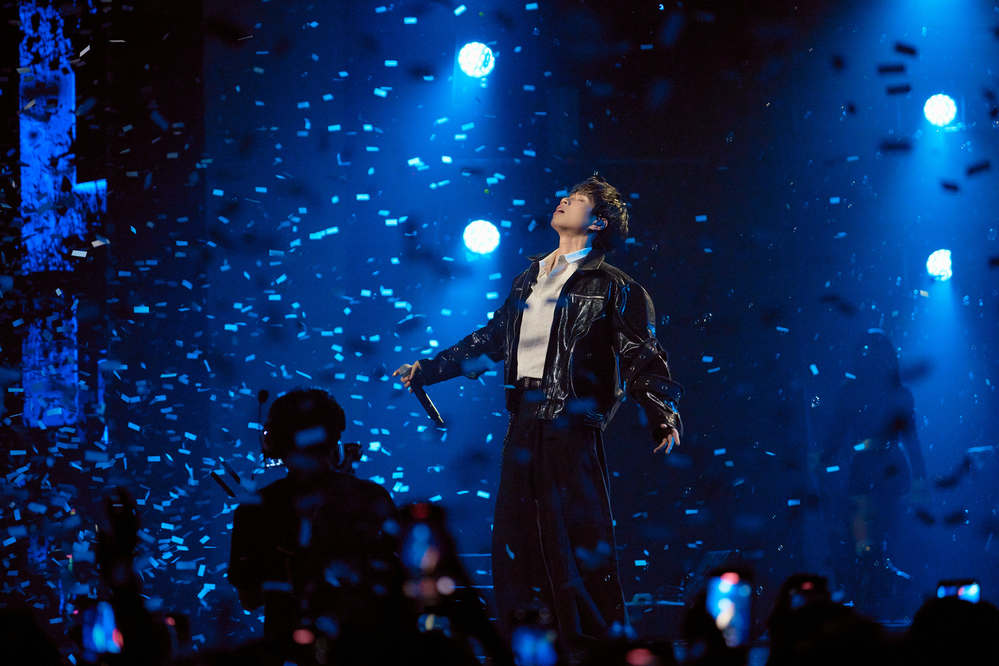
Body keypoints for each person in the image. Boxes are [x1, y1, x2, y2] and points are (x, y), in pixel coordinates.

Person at [393, 173, 684, 658]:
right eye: (567, 195)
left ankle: (593, 647)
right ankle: (522, 641)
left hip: (571, 424)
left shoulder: (615, 288)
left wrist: (662, 411)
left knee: (575, 539)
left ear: (599, 222)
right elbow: (492, 338)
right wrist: (431, 369)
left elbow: (642, 354)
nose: (564, 200)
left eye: (579, 199)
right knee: (516, 538)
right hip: (524, 425)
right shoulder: (530, 279)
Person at [227, 388, 404, 659]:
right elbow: (398, 580)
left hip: (289, 653)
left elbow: (249, 599)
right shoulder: (372, 497)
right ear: (333, 440)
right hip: (367, 650)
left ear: (274, 441)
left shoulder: (255, 509)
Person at [817, 330, 927, 618]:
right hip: (870, 469)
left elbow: (911, 438)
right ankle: (876, 585)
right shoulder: (854, 393)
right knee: (867, 536)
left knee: (878, 532)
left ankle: (880, 584)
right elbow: (837, 434)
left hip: (883, 469)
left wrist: (919, 477)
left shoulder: (893, 393)